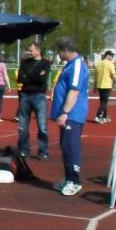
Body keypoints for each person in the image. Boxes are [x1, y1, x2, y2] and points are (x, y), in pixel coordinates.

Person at [50, 37, 89, 196]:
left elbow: (74, 90)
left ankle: (74, 181)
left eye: (59, 50)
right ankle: (69, 179)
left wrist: (65, 112)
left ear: (65, 49)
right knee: (66, 146)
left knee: (71, 146)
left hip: (73, 114)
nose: (58, 54)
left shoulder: (77, 65)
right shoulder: (70, 65)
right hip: (68, 114)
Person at [16, 42, 51, 160]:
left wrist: (28, 76)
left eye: (31, 50)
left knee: (42, 126)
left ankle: (43, 151)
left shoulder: (45, 63)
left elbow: (42, 79)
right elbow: (20, 78)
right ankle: (24, 150)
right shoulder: (25, 62)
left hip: (39, 95)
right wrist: (35, 76)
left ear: (38, 50)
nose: (29, 53)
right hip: (25, 95)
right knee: (22, 125)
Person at [94, 50, 116, 124]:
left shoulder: (98, 63)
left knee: (103, 102)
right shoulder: (110, 64)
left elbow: (96, 76)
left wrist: (94, 87)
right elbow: (113, 75)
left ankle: (105, 116)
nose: (112, 57)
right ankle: (98, 116)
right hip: (107, 85)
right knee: (104, 102)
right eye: (112, 56)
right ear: (108, 55)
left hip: (99, 85)